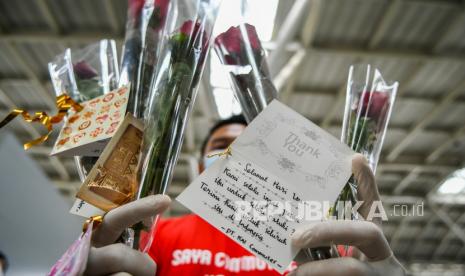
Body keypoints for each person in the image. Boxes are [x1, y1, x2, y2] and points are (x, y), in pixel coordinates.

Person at [84, 115, 406, 275]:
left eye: (250, 148)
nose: (233, 156)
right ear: (198, 166)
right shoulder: (158, 237)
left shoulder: (314, 247)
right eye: (221, 147)